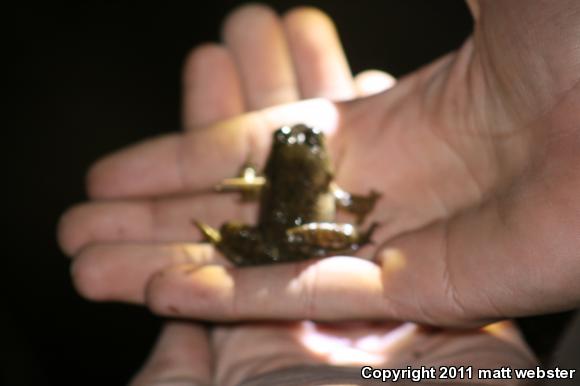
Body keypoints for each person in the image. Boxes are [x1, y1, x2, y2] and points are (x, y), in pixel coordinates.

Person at [57, 1, 580, 385]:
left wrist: (237, 203)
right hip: (297, 230)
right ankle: (327, 240)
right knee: (331, 229)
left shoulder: (273, 175)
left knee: (259, 233)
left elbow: (257, 184)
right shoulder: (318, 175)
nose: (297, 138)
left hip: (277, 233)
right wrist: (363, 219)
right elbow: (351, 200)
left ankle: (236, 240)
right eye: (294, 139)